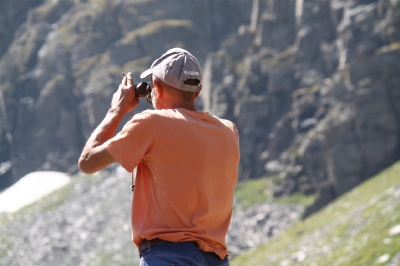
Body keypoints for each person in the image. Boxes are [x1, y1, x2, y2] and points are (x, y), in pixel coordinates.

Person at [78, 48, 240, 266]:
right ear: (198, 92)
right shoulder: (229, 131)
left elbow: (88, 161)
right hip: (216, 259)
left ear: (156, 88)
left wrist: (117, 109)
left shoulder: (151, 123)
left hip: (168, 256)